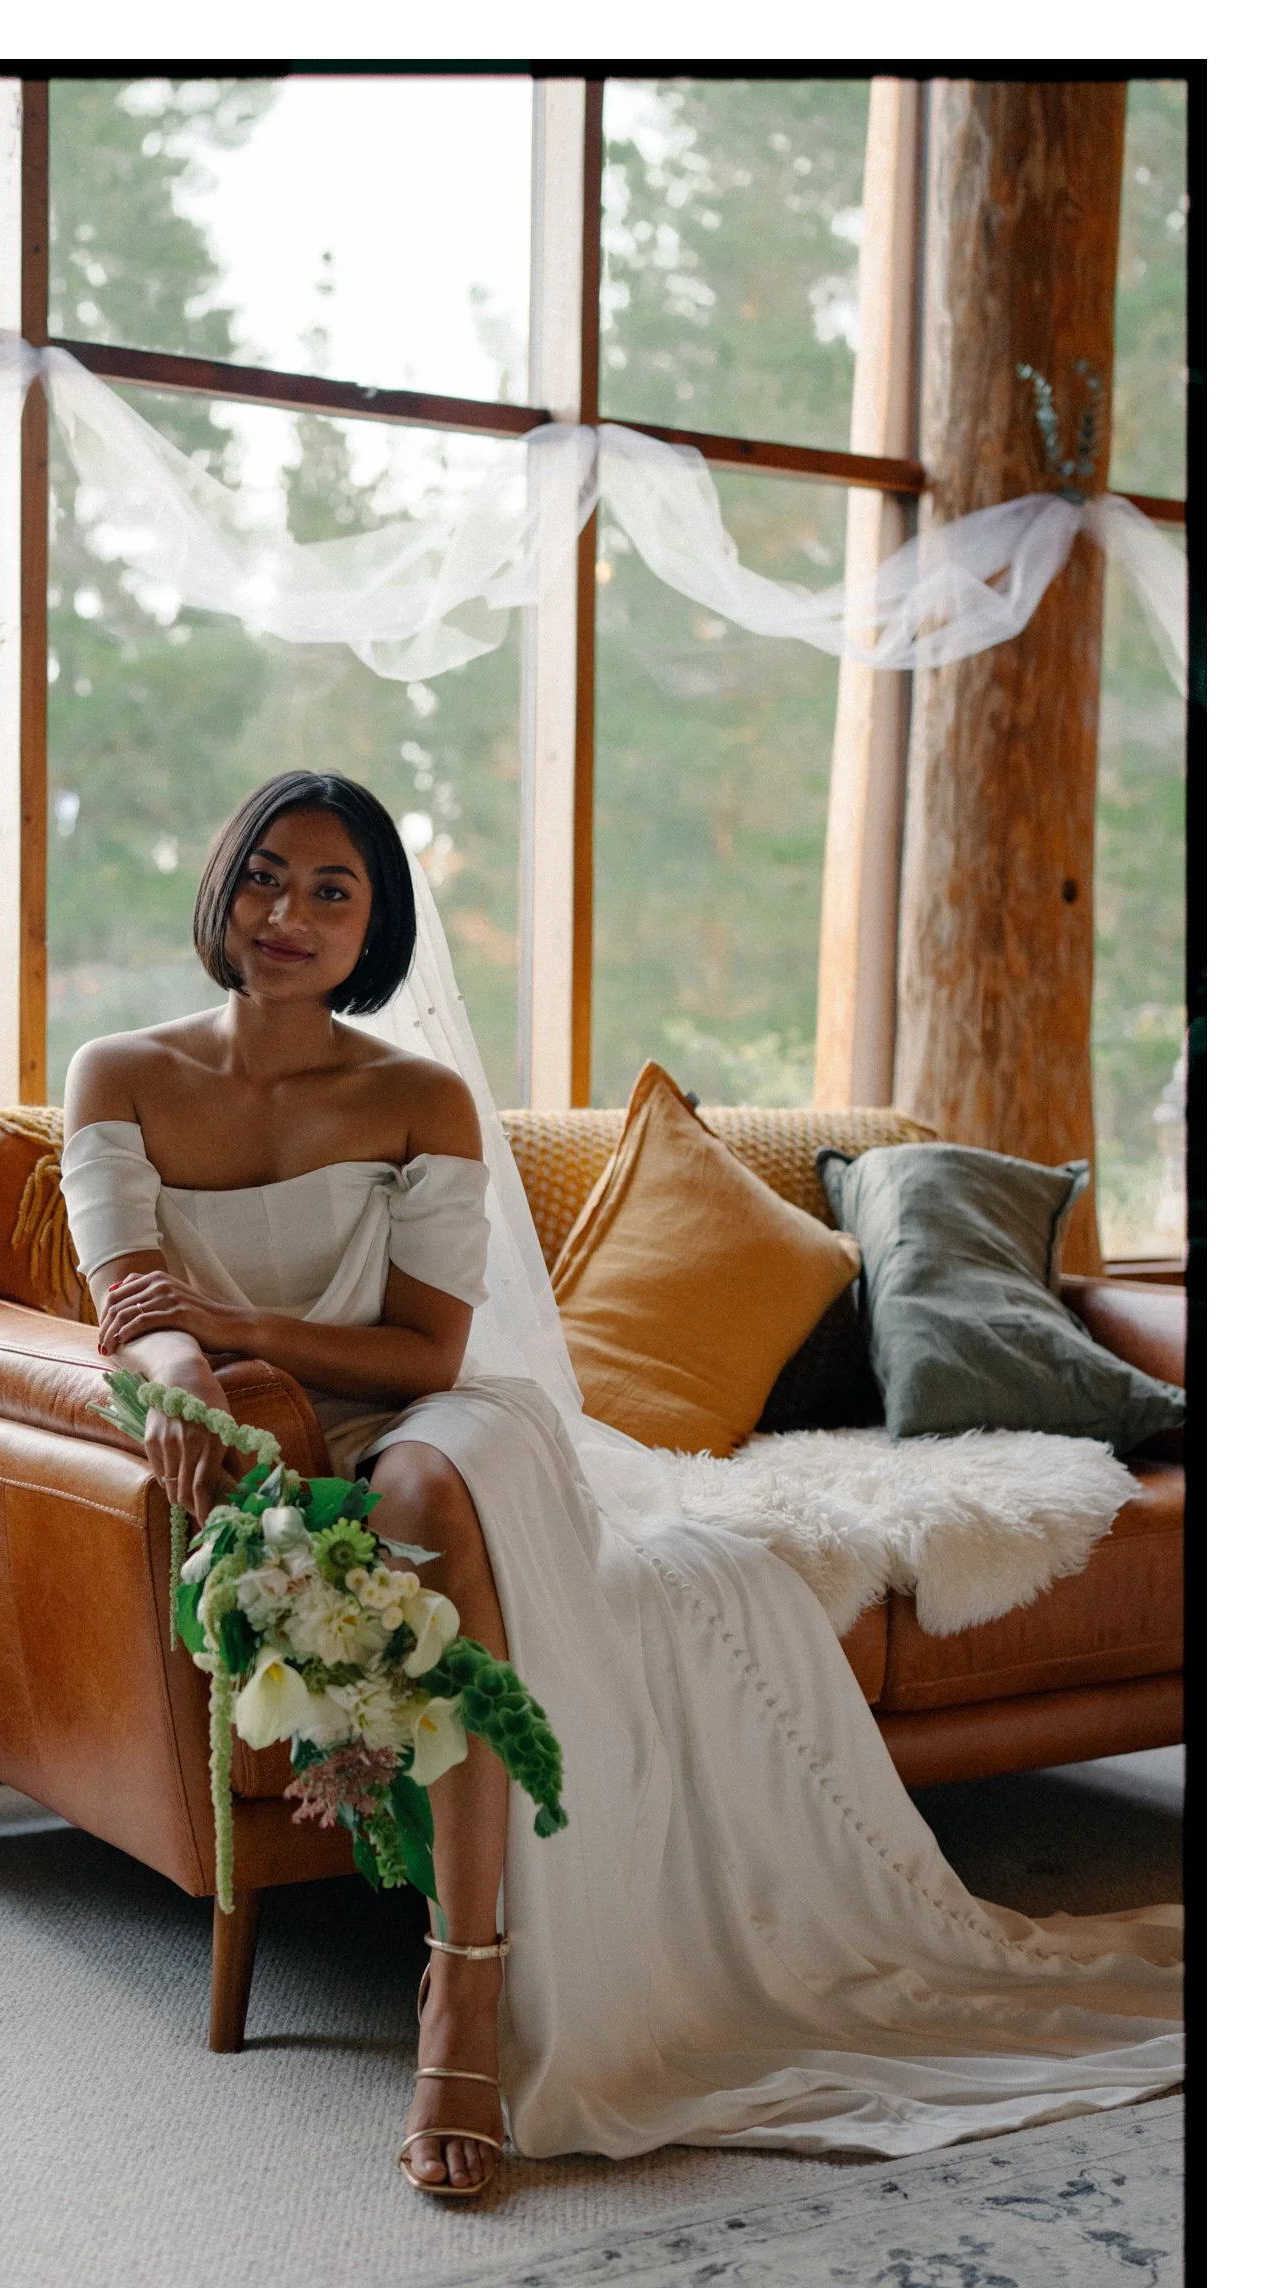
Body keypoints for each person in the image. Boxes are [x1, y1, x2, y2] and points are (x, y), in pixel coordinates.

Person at [61, 769, 1184, 2201]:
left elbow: (426, 1346)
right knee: (378, 1506)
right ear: (221, 884)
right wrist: (187, 1379)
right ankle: (467, 1957)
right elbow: (132, 1297)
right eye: (265, 873)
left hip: (434, 1411)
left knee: (418, 1500)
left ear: (371, 931)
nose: (286, 911)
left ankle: (461, 1990)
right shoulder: (120, 1073)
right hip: (271, 1422)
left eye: (331, 890)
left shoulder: (418, 1098)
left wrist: (246, 1328)